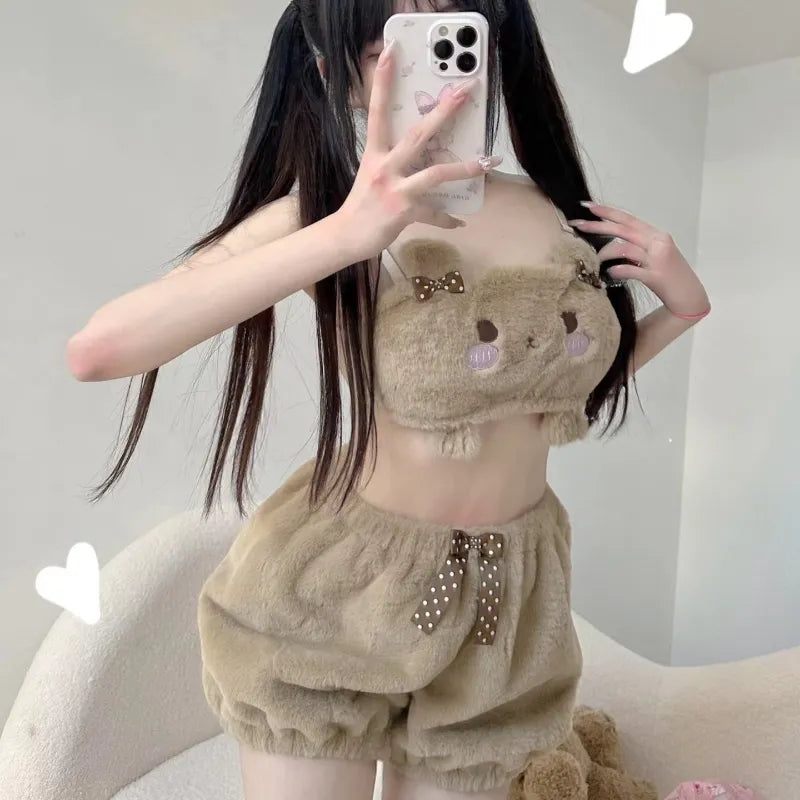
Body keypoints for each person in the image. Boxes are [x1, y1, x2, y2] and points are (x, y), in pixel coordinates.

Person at [67, 0, 711, 798]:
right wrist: (346, 233)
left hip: (508, 602)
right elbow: (99, 350)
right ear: (336, 73)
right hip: (341, 596)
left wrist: (683, 309)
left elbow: (551, 389)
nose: (434, 72)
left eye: (453, 34)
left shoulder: (550, 213)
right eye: (390, 46)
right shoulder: (330, 215)